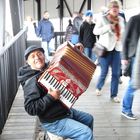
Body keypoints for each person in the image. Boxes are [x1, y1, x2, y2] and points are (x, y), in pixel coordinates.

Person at [18, 45, 94, 140]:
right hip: (53, 121)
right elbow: (30, 108)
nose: (37, 57)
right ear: (28, 62)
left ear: (44, 55)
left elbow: (63, 58)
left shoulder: (48, 67)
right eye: (33, 56)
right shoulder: (31, 81)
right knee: (86, 133)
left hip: (64, 110)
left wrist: (75, 50)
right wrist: (50, 97)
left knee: (89, 118)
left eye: (39, 54)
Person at [93, 0, 125, 102]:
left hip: (117, 49)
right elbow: (95, 31)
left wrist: (121, 37)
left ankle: (114, 95)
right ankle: (98, 87)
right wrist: (107, 27)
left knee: (116, 73)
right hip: (105, 49)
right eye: (113, 7)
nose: (115, 9)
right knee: (104, 71)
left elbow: (123, 32)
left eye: (117, 7)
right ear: (110, 8)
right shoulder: (103, 18)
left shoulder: (121, 19)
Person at [121, 13, 140, 120]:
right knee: (133, 83)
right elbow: (125, 39)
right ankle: (126, 109)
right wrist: (124, 56)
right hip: (134, 57)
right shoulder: (134, 19)